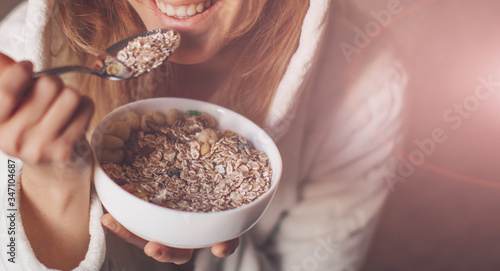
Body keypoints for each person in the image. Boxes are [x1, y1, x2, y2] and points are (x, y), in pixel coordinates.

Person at [0, 0, 407, 270]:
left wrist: (206, 244)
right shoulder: (24, 57)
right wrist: (54, 185)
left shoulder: (363, 84)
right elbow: (11, 252)